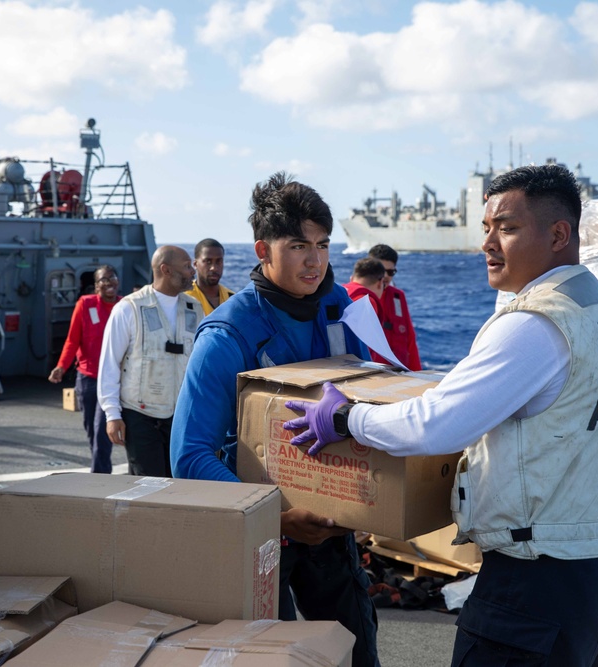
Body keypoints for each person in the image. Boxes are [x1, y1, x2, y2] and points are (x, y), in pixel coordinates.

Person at [284, 164, 598, 666]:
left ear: (559, 234)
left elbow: (438, 424)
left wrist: (347, 420)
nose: (488, 243)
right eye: (486, 228)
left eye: (508, 228)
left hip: (537, 580)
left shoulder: (536, 324)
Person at [170, 172, 379, 667]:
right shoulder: (227, 334)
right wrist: (276, 518)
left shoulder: (341, 311)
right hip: (259, 535)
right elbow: (189, 455)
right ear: (263, 249)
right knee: (269, 658)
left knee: (358, 653)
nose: (315, 260)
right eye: (298, 245)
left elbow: (372, 400)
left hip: (332, 528)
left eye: (324, 244)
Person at [98, 246, 202, 477]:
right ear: (165, 270)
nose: (192, 272)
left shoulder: (195, 309)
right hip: (140, 417)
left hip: (180, 417)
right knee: (148, 486)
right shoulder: (129, 308)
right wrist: (112, 415)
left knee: (180, 483)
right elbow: (110, 364)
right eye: (186, 266)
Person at [48, 265, 121, 473]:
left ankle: (99, 476)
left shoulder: (125, 306)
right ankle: (100, 468)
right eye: (103, 280)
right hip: (88, 378)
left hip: (114, 381)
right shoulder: (85, 305)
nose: (108, 283)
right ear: (95, 286)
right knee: (92, 429)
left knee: (101, 429)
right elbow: (72, 340)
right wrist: (61, 366)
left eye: (112, 277)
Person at [368, 244, 421, 371]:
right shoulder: (358, 297)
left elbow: (410, 341)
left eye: (390, 272)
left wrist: (418, 375)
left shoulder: (398, 297)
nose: (385, 276)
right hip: (371, 377)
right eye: (381, 270)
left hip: (399, 376)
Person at [184, 238, 235, 315]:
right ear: (195, 264)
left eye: (219, 261)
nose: (213, 268)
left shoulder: (232, 299)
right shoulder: (184, 298)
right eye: (208, 262)